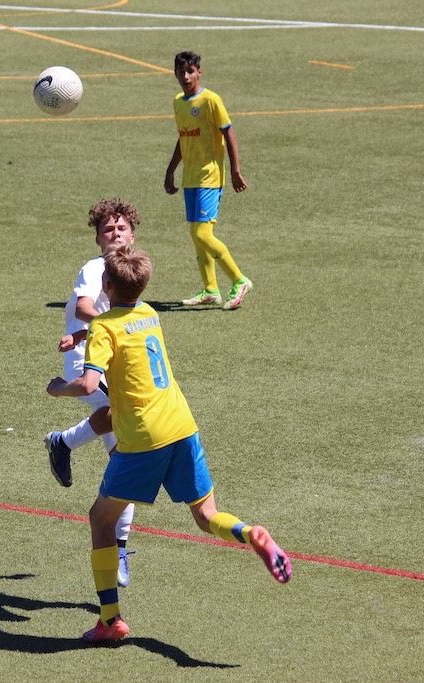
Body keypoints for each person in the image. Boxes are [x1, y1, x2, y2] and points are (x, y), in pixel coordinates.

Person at [47, 245, 291, 644]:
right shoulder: (150, 314)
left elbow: (89, 385)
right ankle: (250, 533)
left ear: (106, 285)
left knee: (101, 519)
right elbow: (123, 331)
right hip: (181, 425)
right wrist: (86, 332)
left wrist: (59, 388)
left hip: (143, 438)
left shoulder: (104, 327)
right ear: (142, 287)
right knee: (207, 515)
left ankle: (110, 620)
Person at [44, 198, 141, 587]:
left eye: (121, 228)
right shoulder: (95, 268)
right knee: (125, 443)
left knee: (125, 456)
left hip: (109, 361)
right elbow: (86, 306)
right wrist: (90, 332)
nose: (115, 234)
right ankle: (118, 547)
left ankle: (63, 443)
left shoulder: (130, 270)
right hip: (86, 363)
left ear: (132, 234)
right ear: (98, 239)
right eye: (107, 230)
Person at [164, 50, 253, 310]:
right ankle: (211, 289)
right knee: (196, 235)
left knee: (203, 233)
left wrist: (235, 170)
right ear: (175, 74)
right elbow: (183, 138)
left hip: (210, 177)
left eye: (190, 71)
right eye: (181, 72)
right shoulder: (178, 102)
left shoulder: (211, 100)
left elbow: (229, 133)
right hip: (190, 177)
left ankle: (239, 280)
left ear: (199, 72)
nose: (185, 76)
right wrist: (171, 170)